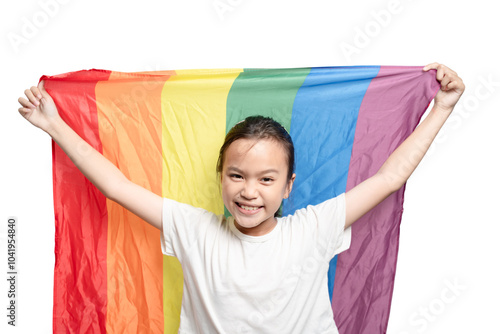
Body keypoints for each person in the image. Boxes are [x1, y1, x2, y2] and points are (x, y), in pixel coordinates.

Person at [18, 63, 464, 333]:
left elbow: (389, 178)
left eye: (266, 179)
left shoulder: (314, 227)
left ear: (288, 186)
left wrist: (442, 106)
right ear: (221, 178)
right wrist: (55, 125)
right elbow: (117, 186)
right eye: (237, 175)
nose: (249, 191)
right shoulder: (192, 228)